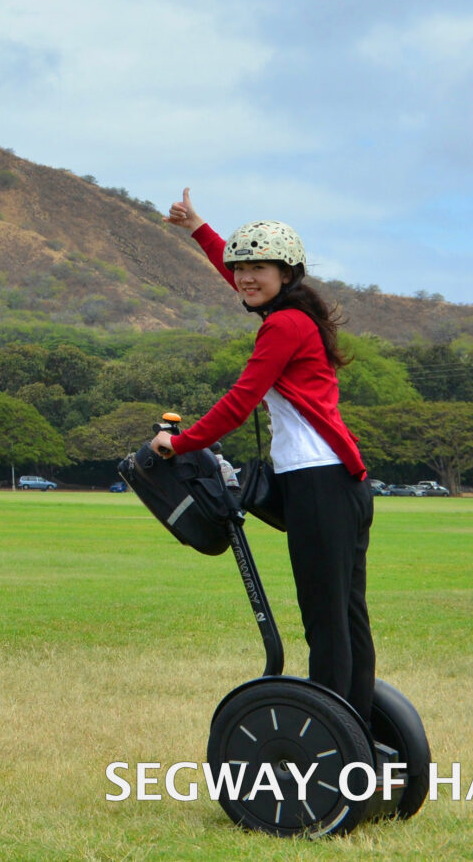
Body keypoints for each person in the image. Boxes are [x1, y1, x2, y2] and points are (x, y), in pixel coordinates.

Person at [153, 189, 374, 720]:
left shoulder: (283, 325)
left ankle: (331, 734)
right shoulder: (292, 314)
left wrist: (178, 443)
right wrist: (201, 230)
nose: (247, 278)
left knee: (327, 622)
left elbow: (239, 401)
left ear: (288, 274)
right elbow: (242, 281)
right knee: (346, 618)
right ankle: (355, 728)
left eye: (260, 269)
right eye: (241, 268)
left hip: (319, 483)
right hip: (337, 483)